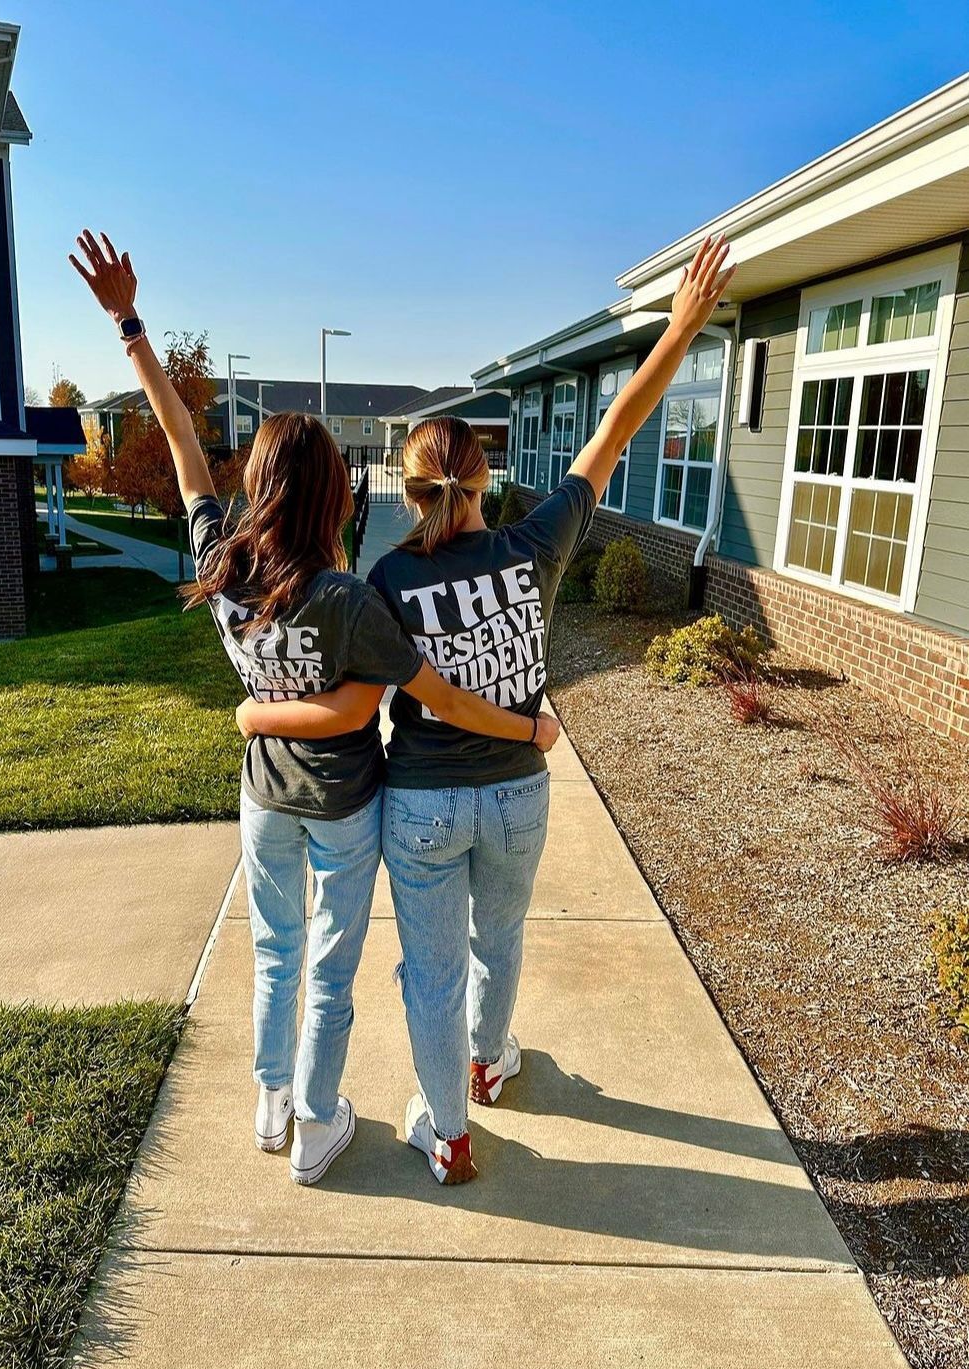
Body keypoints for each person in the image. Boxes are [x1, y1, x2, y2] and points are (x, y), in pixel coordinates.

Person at [238, 233, 736, 1184]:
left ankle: (449, 1132)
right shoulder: (535, 545)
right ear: (483, 482)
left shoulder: (380, 577)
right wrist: (679, 331)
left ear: (415, 490)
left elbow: (354, 685)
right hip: (517, 794)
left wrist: (257, 711)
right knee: (497, 938)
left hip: (420, 803)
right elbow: (616, 430)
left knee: (427, 972)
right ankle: (488, 1062)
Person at [69, 230, 560, 1187]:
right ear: (338, 490)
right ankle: (317, 1124)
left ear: (254, 487)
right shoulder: (346, 599)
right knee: (330, 971)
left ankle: (269, 1102)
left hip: (263, 802)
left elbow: (179, 447)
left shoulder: (220, 563)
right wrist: (530, 729)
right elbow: (349, 715)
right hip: (344, 809)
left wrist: (132, 328)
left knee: (273, 954)